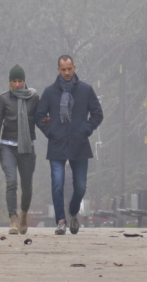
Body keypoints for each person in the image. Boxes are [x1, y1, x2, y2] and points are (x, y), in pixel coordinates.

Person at [35, 54, 104, 235]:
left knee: (80, 186)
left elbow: (97, 114)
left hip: (79, 144)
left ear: (74, 68)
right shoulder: (50, 92)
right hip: (57, 144)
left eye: (69, 69)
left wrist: (86, 129)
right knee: (57, 183)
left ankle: (73, 211)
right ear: (58, 70)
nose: (66, 72)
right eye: (63, 69)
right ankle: (61, 221)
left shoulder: (85, 90)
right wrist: (51, 132)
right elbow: (39, 116)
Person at [0, 64, 40, 235]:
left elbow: (39, 119)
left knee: (27, 186)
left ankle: (23, 214)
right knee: (11, 182)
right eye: (14, 81)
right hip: (7, 147)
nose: (17, 85)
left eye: (20, 81)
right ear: (10, 82)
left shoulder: (33, 97)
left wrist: (49, 124)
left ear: (24, 81)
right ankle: (12, 219)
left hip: (27, 148)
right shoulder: (3, 99)